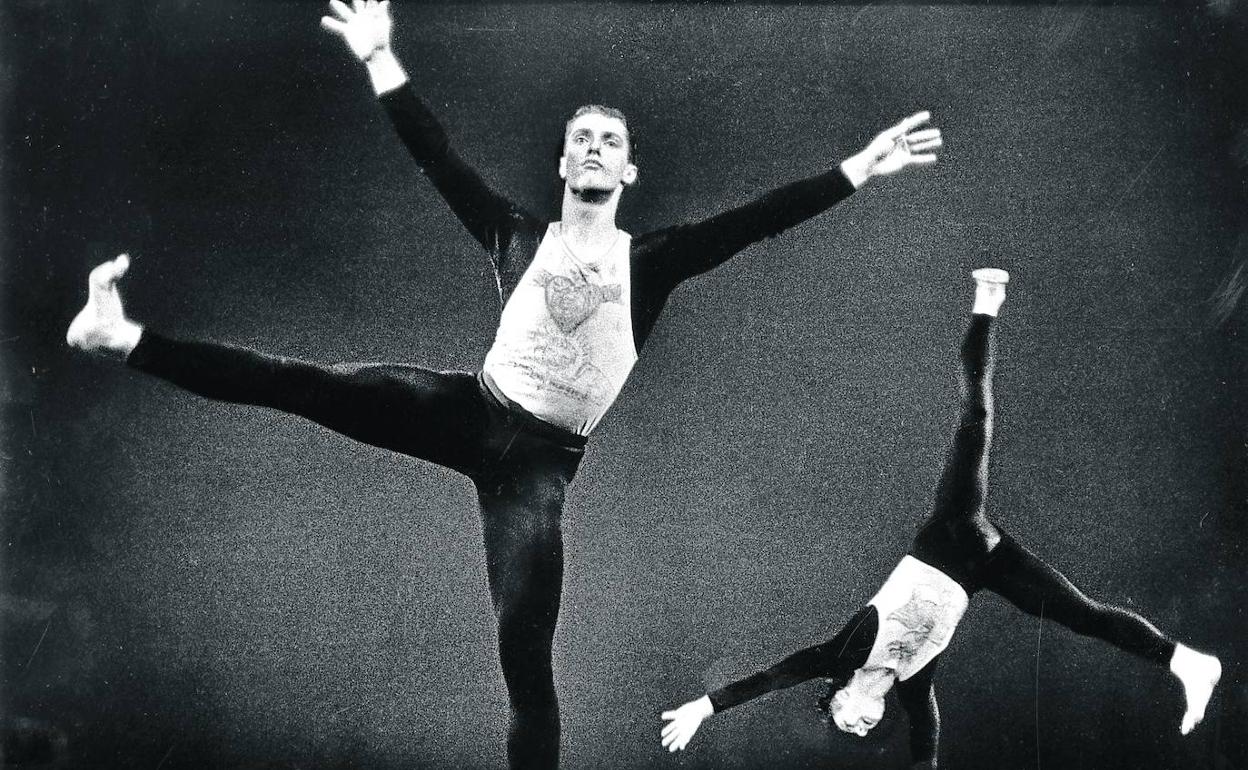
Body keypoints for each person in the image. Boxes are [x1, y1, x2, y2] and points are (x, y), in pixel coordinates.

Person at [67, 2, 944, 767]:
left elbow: (757, 221)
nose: (594, 148)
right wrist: (381, 56)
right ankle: (120, 336)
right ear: (563, 166)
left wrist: (858, 168)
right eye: (580, 139)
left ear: (628, 173)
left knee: (525, 663)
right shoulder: (516, 235)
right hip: (469, 410)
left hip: (538, 473)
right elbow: (438, 157)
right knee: (303, 383)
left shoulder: (654, 261)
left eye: (610, 142)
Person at [660, 269, 1223, 768]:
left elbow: (771, 678)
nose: (862, 728)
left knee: (975, 415)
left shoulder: (843, 652)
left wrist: (703, 708)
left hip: (951, 531)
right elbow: (926, 738)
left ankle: (986, 303)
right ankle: (1187, 662)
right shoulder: (912, 684)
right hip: (985, 564)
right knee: (1083, 616)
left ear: (839, 694)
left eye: (847, 722)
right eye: (864, 730)